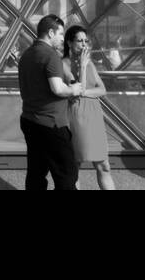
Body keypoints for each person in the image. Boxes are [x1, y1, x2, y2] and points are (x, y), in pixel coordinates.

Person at [17, 14, 83, 190]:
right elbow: (57, 88)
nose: (63, 39)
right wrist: (74, 90)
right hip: (51, 123)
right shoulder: (50, 55)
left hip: (30, 120)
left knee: (36, 172)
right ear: (51, 32)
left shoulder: (27, 55)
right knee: (67, 173)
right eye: (61, 34)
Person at [62, 25, 114, 190]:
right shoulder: (64, 64)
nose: (84, 44)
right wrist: (83, 67)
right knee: (75, 166)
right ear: (69, 42)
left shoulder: (89, 63)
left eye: (86, 41)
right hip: (78, 116)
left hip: (94, 116)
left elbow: (102, 89)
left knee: (104, 166)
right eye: (79, 41)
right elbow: (77, 91)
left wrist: (86, 91)